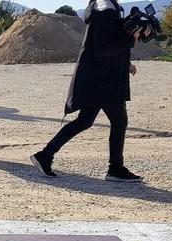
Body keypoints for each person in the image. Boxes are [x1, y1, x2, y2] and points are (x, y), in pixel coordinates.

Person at [30, 0, 148, 182]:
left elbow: (105, 42)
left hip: (99, 78)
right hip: (104, 80)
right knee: (118, 121)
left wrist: (125, 62)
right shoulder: (105, 9)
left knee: (85, 121)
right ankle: (115, 169)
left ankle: (45, 156)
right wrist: (131, 39)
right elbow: (102, 48)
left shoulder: (104, 6)